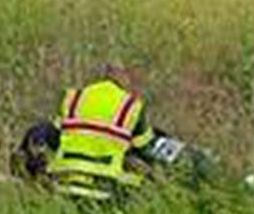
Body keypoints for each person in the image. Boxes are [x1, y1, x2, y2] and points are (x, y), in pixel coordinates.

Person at [18, 73, 158, 202]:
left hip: (64, 184)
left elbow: (53, 138)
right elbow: (146, 148)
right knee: (138, 175)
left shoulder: (73, 99)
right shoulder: (131, 107)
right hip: (106, 188)